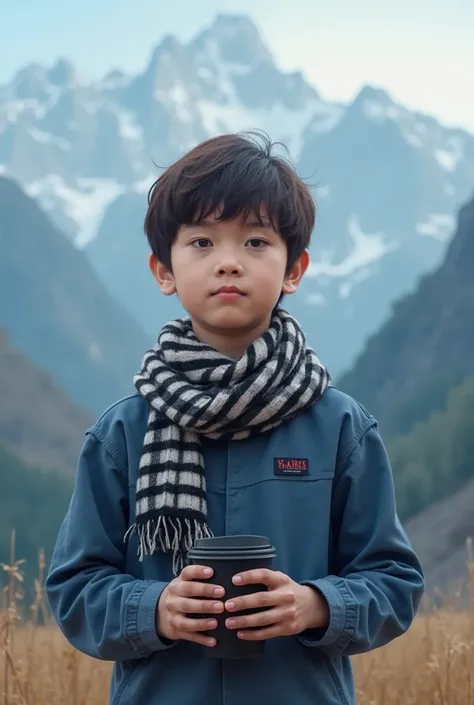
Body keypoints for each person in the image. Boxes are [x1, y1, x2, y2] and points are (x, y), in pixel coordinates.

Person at [45, 131, 424, 705]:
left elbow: (394, 581)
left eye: (254, 241)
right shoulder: (123, 433)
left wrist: (316, 605)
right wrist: (156, 609)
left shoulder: (341, 428)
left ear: (294, 268)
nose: (228, 262)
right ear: (162, 270)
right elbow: (74, 588)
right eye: (201, 242)